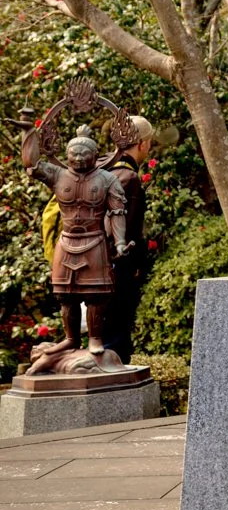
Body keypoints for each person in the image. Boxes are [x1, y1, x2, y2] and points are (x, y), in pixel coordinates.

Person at [21, 124, 129, 369]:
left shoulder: (107, 179)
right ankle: (70, 339)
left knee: (95, 296)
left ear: (95, 154)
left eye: (84, 154)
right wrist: (28, 132)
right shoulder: (58, 175)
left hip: (95, 240)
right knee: (65, 296)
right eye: (74, 154)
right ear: (67, 155)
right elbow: (31, 165)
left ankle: (95, 338)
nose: (79, 158)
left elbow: (117, 212)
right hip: (67, 240)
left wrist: (120, 241)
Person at [101, 115, 154, 363]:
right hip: (117, 270)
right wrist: (136, 266)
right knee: (116, 340)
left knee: (98, 336)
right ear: (142, 144)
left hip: (91, 265)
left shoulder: (100, 171)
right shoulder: (129, 179)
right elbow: (127, 230)